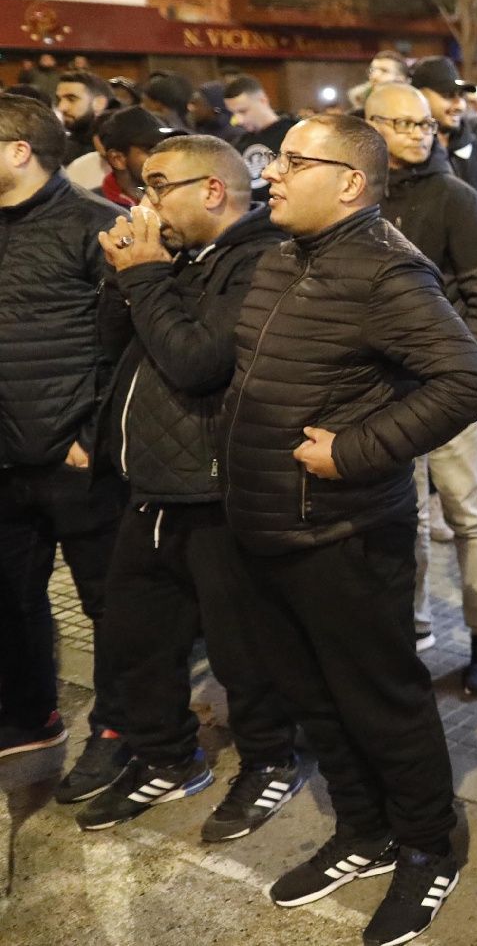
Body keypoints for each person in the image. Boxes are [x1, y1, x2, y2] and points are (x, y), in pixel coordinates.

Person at [225, 113, 477, 943]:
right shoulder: (283, 255)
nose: (270, 173)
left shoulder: (385, 270)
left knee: (379, 700)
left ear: (349, 181)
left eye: (291, 162)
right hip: (268, 526)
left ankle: (426, 844)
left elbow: (465, 380)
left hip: (343, 533)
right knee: (313, 697)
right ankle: (363, 827)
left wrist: (355, 449)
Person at [78, 135, 302, 838]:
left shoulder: (261, 259)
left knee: (243, 649)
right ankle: (168, 757)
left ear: (212, 190)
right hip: (150, 485)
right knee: (134, 638)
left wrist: (147, 276)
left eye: (157, 186)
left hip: (214, 491)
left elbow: (200, 361)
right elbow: (116, 346)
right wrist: (129, 277)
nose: (144, 204)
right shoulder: (181, 259)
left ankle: (269, 759)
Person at [0, 96, 133, 803]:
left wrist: (92, 437)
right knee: (13, 601)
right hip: (5, 461)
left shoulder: (98, 224)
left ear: (20, 150)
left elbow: (125, 347)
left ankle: (120, 728)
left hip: (77, 462)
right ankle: (30, 716)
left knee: (110, 602)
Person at [366, 84, 477, 694]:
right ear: (370, 126)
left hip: (444, 389)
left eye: (424, 123)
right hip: (379, 390)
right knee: (404, 517)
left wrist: (460, 372)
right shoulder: (359, 197)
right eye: (401, 123)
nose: (417, 133)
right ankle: (413, 623)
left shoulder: (457, 197)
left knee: (468, 512)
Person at [407, 56, 477, 500]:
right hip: (426, 304)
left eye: (460, 95)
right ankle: (434, 497)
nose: (456, 104)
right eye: (447, 95)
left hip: (475, 305)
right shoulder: (399, 166)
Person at [223, 75, 298, 197]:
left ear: (263, 101)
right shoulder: (240, 143)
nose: (238, 120)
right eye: (234, 113)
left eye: (243, 111)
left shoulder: (294, 134)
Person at [56, 70, 115, 158]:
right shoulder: (58, 146)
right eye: (59, 100)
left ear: (99, 103)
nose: (61, 107)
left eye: (71, 99)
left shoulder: (118, 149)